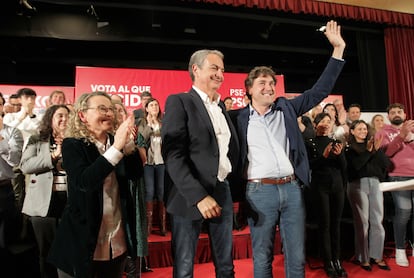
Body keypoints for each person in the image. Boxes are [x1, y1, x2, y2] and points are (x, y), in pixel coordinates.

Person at [228, 20, 346, 277]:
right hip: (259, 192)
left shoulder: (287, 108)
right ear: (248, 89)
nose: (269, 87)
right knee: (263, 256)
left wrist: (337, 50)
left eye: (272, 82)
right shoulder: (236, 118)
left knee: (297, 256)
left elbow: (320, 90)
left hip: (292, 190)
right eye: (262, 83)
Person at [161, 49, 240, 277]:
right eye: (214, 68)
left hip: (222, 189)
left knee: (226, 266)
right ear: (195, 69)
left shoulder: (222, 107)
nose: (220, 74)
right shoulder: (180, 101)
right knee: (184, 268)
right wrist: (199, 196)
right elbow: (173, 155)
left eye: (223, 70)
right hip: (189, 194)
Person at [47, 91, 143, 278]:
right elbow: (84, 182)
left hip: (117, 237)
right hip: (82, 240)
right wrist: (116, 150)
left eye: (110, 109)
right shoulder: (73, 144)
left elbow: (135, 174)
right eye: (101, 108)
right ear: (82, 115)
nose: (108, 113)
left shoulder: (117, 141)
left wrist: (129, 147)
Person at [20, 104, 70, 278]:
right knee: (46, 253)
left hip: (70, 202)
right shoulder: (37, 139)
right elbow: (25, 166)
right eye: (60, 116)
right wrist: (54, 155)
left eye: (67, 116)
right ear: (50, 118)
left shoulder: (76, 140)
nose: (64, 119)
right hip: (43, 203)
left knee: (67, 251)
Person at [345, 119, 391, 271]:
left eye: (365, 129)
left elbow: (386, 165)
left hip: (375, 184)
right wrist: (368, 152)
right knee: (362, 223)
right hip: (357, 185)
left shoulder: (373, 146)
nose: (363, 131)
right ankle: (363, 258)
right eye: (359, 129)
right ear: (352, 131)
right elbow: (356, 167)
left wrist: (376, 151)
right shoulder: (349, 149)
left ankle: (377, 256)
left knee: (377, 221)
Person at [305, 113, 348, 278]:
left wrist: (339, 156)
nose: (326, 123)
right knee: (325, 225)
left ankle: (337, 260)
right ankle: (328, 262)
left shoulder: (336, 142)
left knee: (336, 224)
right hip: (320, 187)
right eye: (322, 121)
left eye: (329, 121)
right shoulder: (309, 143)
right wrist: (323, 157)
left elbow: (344, 167)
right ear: (315, 125)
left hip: (337, 187)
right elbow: (310, 166)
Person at [375, 103, 414, 267]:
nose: (396, 114)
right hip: (398, 176)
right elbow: (387, 153)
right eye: (393, 112)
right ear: (388, 116)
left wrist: (410, 138)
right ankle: (400, 249)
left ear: (405, 115)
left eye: (399, 111)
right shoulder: (382, 132)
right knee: (404, 212)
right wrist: (401, 136)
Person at [136, 98, 167, 236]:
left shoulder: (163, 123)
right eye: (151, 105)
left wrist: (158, 124)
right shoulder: (142, 123)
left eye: (156, 104)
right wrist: (150, 124)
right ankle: (148, 226)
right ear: (146, 109)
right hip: (148, 163)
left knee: (161, 192)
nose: (155, 107)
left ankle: (162, 225)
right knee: (149, 191)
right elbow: (141, 139)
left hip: (161, 162)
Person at [0, 110, 23, 274]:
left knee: (4, 238)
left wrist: (1, 140)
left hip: (3, 188)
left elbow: (14, 160)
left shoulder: (13, 132)